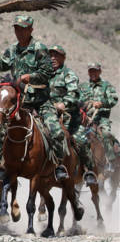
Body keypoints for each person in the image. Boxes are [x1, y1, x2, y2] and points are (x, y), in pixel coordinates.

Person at [0, 15, 69, 181]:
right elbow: (1, 64)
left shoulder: (39, 48)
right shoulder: (12, 49)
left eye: (23, 29)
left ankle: (58, 165)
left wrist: (30, 76)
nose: (19, 32)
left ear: (30, 30)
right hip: (18, 102)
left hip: (40, 101)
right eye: (16, 29)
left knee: (56, 131)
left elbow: (47, 72)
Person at [48, 45, 96, 185]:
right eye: (50, 55)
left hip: (69, 117)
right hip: (47, 113)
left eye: (56, 55)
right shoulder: (44, 74)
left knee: (81, 140)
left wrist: (64, 104)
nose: (53, 58)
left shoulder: (69, 74)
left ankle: (88, 170)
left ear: (63, 58)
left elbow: (73, 94)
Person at [78, 63, 119, 171]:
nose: (93, 73)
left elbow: (114, 99)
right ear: (88, 72)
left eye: (95, 71)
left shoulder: (106, 86)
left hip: (102, 118)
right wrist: (84, 104)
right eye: (91, 71)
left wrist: (102, 103)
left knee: (105, 134)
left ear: (100, 72)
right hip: (85, 118)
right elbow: (77, 100)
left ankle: (110, 161)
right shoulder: (83, 86)